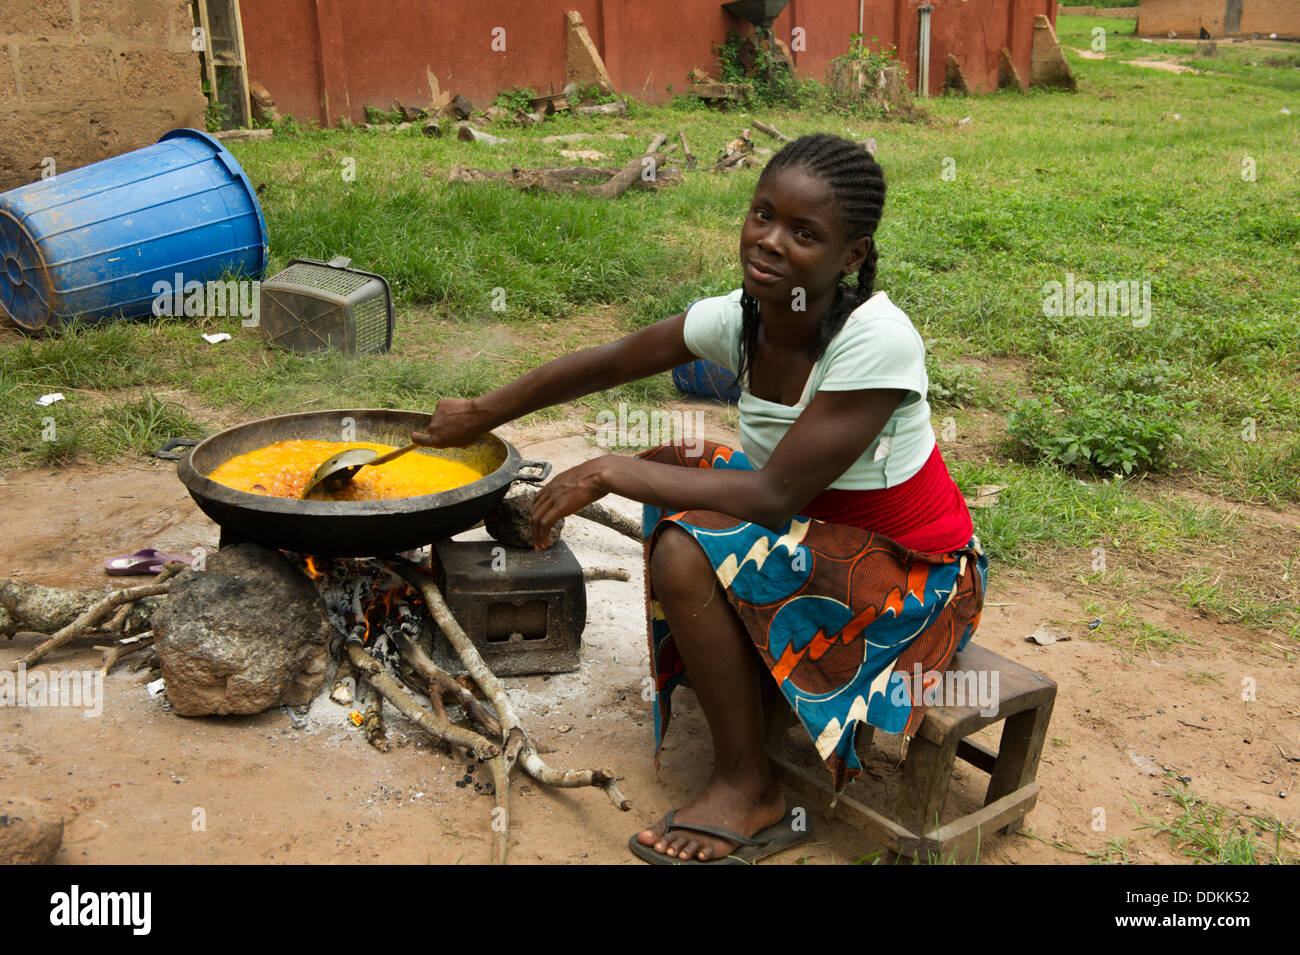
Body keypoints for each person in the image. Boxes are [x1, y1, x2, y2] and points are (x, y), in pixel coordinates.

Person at [413, 133, 987, 865]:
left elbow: (776, 495)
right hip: (820, 533)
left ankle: (750, 786)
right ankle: (748, 679)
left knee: (683, 538)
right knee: (677, 465)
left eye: (804, 233)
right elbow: (608, 362)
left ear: (851, 255)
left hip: (916, 574)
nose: (770, 243)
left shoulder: (877, 339)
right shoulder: (744, 315)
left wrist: (608, 469)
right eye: (762, 215)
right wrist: (480, 413)